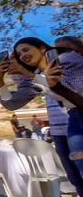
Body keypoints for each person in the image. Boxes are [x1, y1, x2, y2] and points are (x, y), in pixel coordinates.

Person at [0, 53, 83, 197]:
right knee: (75, 178)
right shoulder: (31, 81)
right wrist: (0, 78)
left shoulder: (61, 67)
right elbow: (11, 103)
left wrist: (29, 73)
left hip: (78, 127)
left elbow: (61, 86)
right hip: (59, 131)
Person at [10, 36, 83, 186]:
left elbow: (71, 90)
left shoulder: (66, 59)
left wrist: (33, 76)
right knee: (76, 174)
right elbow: (59, 94)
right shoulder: (39, 75)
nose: (23, 56)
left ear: (43, 48)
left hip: (76, 115)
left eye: (26, 50)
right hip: (73, 117)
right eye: (19, 55)